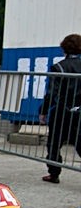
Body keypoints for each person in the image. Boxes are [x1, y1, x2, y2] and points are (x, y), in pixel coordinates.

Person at [39, 33, 81, 184]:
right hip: (80, 110)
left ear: (64, 48)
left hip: (62, 110)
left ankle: (54, 173)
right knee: (79, 143)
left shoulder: (59, 67)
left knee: (54, 143)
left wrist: (43, 111)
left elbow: (51, 93)